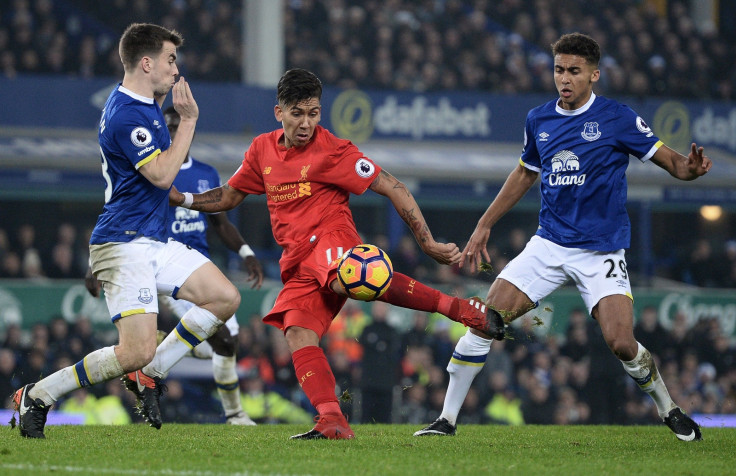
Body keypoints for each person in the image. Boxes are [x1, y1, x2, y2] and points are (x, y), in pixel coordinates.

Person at [167, 68, 503, 440]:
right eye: (298, 113)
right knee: (297, 332)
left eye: (314, 113)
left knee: (354, 277)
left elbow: (393, 186)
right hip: (296, 261)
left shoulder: (333, 151)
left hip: (332, 238)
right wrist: (183, 199)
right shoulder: (261, 149)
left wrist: (426, 243)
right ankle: (332, 420)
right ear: (279, 112)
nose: (307, 123)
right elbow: (229, 196)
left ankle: (459, 308)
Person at [414, 33, 710, 442]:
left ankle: (669, 408)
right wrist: (485, 223)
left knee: (622, 343)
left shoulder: (617, 118)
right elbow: (524, 173)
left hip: (601, 250)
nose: (564, 79)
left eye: (573, 71)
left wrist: (689, 170)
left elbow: (672, 162)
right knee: (484, 319)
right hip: (549, 244)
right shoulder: (539, 119)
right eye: (558, 70)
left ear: (594, 75)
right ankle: (445, 420)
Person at [11, 23, 241, 439]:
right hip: (123, 242)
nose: (176, 69)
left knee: (224, 297)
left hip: (151, 238)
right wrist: (188, 122)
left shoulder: (142, 102)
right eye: (171, 60)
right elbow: (160, 175)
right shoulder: (128, 114)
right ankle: (38, 395)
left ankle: (151, 371)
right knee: (134, 350)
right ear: (147, 63)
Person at [84, 106, 265, 426]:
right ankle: (234, 414)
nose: (171, 132)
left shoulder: (206, 173)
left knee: (226, 344)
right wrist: (94, 264)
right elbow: (116, 215)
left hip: (200, 271)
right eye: (166, 126)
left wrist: (246, 252)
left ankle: (162, 345)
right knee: (222, 339)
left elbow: (220, 223)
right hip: (165, 271)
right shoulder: (150, 171)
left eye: (177, 126)